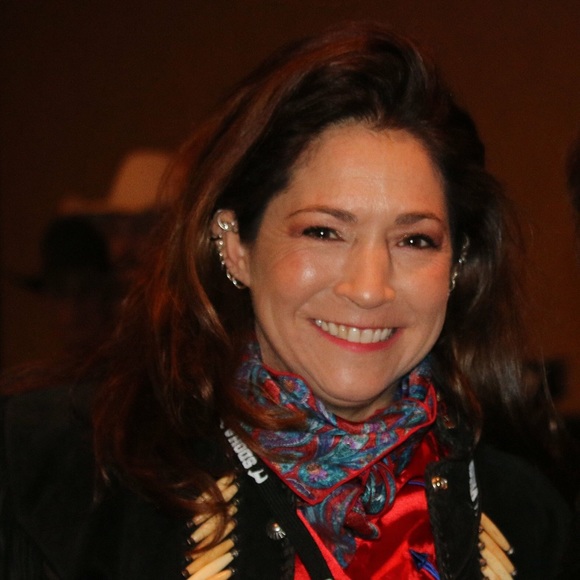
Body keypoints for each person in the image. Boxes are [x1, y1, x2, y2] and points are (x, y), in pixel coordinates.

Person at [1, 22, 578, 580]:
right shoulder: (60, 481)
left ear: (456, 265)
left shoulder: (529, 519)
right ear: (236, 246)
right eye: (323, 232)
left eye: (414, 240)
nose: (369, 288)